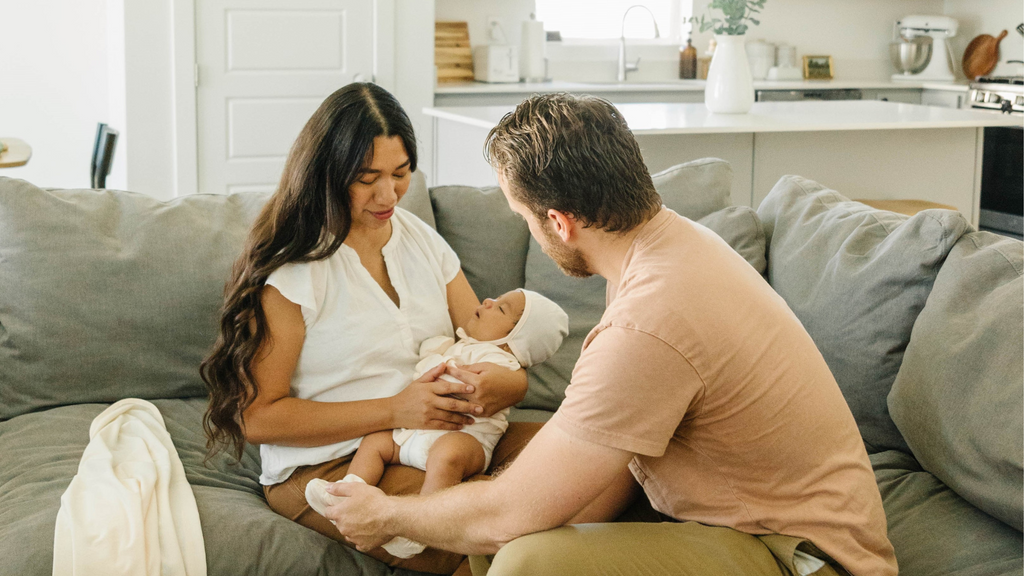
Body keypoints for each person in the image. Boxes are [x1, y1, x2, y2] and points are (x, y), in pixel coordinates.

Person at [322, 93, 899, 576]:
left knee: (526, 561)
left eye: (523, 216)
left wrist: (387, 515)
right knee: (499, 534)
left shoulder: (650, 319)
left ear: (559, 223)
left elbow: (506, 514)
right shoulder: (670, 248)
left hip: (805, 557)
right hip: (741, 522)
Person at [199, 82, 539, 575]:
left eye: (401, 174)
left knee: (597, 464)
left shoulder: (420, 239)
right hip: (334, 463)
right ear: (327, 176)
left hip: (439, 437)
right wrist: (396, 409)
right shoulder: (295, 272)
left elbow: (485, 339)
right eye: (367, 177)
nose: (389, 194)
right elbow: (257, 418)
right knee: (497, 536)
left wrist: (514, 383)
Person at [304, 288, 569, 559]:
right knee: (375, 442)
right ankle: (348, 490)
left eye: (501, 309)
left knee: (447, 455)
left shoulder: (500, 361)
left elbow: (471, 387)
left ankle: (420, 527)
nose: (489, 301)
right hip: (413, 433)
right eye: (496, 300)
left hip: (465, 437)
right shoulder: (460, 345)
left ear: (514, 343)